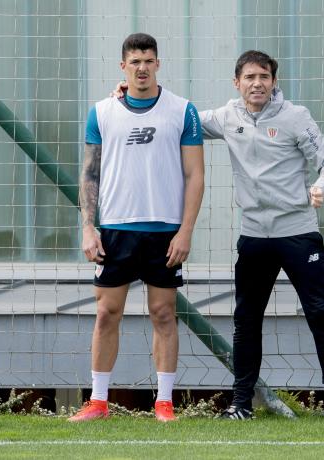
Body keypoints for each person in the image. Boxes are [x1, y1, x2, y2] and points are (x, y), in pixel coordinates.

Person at [114, 50, 324, 420]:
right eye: (250, 78)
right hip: (254, 237)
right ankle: (241, 404)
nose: (258, 84)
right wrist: (130, 95)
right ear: (236, 82)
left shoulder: (295, 117)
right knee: (247, 319)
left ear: (274, 82)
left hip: (299, 233)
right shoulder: (226, 117)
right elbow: (177, 116)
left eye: (265, 78)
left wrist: (321, 186)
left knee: (320, 314)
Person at [69, 33, 204, 423]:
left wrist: (186, 231)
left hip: (164, 232)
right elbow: (89, 174)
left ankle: (164, 403)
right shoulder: (101, 111)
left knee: (163, 314)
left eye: (148, 60)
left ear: (158, 64)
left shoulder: (183, 111)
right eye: (134, 61)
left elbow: (195, 175)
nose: (141, 67)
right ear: (123, 66)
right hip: (114, 231)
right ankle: (98, 402)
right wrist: (88, 228)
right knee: (106, 313)